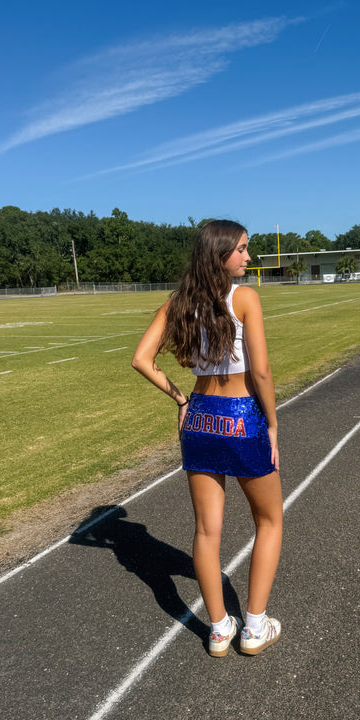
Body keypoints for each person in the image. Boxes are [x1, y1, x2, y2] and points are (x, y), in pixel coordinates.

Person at [132, 219, 283, 657]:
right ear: (219, 254)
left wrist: (181, 399)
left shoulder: (177, 302)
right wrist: (272, 425)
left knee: (206, 530)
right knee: (269, 520)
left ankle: (219, 630)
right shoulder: (245, 297)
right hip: (242, 417)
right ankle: (254, 627)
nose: (248, 257)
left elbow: (141, 359)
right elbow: (260, 372)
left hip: (198, 418)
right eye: (242, 249)